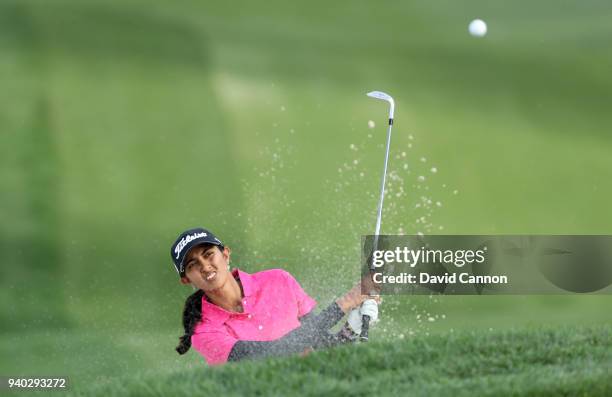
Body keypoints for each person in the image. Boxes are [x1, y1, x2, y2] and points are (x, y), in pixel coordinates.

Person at [170, 227, 379, 365]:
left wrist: (351, 330)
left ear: (225, 254)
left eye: (208, 254)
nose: (205, 267)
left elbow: (319, 343)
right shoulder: (203, 332)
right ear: (186, 279)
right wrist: (347, 301)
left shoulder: (278, 280)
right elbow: (266, 355)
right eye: (193, 265)